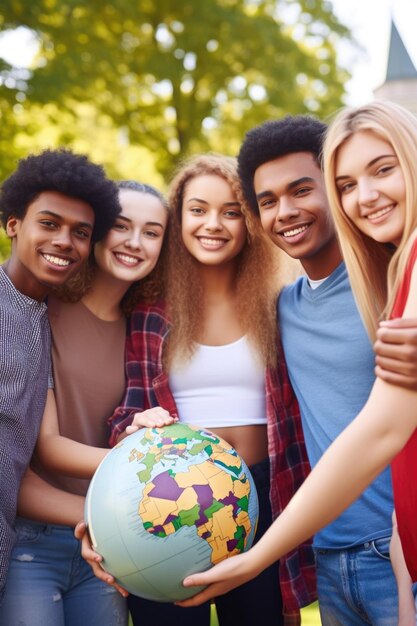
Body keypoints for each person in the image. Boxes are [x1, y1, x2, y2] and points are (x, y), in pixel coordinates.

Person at [176, 102, 417, 622]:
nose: (285, 212)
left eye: (302, 190)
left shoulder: (392, 284)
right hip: (327, 553)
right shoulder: (282, 309)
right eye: (267, 201)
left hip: (398, 547)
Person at [106, 154, 317, 625]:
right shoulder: (149, 310)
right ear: (179, 218)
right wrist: (134, 427)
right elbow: (127, 414)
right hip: (174, 503)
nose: (213, 224)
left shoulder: (278, 304)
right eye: (198, 209)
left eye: (231, 211)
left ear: (249, 223)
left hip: (262, 496)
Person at [0, 181, 171, 626]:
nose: (134, 243)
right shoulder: (44, 308)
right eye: (121, 226)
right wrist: (146, 463)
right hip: (33, 539)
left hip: (107, 539)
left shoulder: (145, 328)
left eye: (152, 232)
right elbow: (45, 448)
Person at [0, 148, 119, 600]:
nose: (65, 241)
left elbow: (21, 461)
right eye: (49, 224)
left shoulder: (43, 318)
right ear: (14, 224)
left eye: (81, 232)